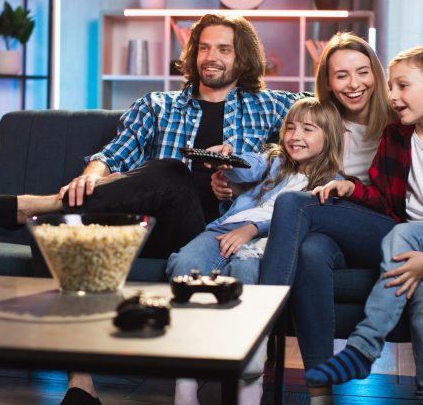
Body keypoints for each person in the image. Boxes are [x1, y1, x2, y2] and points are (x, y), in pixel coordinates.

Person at [0, 13, 306, 405]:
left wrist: (245, 178)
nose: (212, 57)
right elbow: (114, 154)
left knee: (65, 212)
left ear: (242, 58)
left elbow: (323, 128)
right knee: (65, 226)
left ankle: (43, 205)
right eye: (204, 47)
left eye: (224, 49)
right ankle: (80, 382)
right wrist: (90, 174)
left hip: (216, 233)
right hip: (157, 230)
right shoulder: (158, 105)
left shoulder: (274, 106)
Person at [230, 32, 396, 405]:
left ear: (377, 74)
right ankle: (320, 392)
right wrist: (228, 175)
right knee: (311, 252)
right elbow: (279, 148)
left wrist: (351, 189)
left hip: (381, 227)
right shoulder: (322, 119)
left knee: (293, 203)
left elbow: (392, 201)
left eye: (362, 72)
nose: (354, 84)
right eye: (341, 75)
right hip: (332, 227)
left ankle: (255, 331)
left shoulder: (397, 118)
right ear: (328, 83)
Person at [167, 97, 345, 405]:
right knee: (185, 263)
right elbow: (247, 168)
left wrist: (252, 229)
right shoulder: (276, 161)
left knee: (244, 272)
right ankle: (185, 377)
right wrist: (229, 163)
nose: (295, 136)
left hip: (266, 242)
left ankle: (249, 379)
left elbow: (304, 222)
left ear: (328, 136)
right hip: (225, 229)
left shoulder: (331, 181)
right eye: (289, 127)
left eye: (308, 129)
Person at [305, 46, 423, 402]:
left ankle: (363, 349)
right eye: (392, 87)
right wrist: (353, 189)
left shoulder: (392, 124)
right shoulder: (397, 137)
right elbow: (387, 204)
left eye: (402, 86)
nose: (393, 96)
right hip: (403, 237)